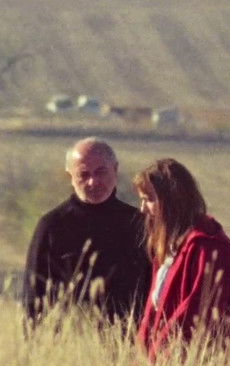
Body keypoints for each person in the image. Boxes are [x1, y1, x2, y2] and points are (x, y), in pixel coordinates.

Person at [23, 138, 152, 331]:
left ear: (115, 170)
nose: (93, 181)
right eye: (83, 174)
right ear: (71, 177)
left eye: (101, 172)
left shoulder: (139, 224)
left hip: (131, 344)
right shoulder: (52, 226)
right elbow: (33, 297)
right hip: (72, 343)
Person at [134, 158, 230, 360]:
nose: (143, 209)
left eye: (149, 199)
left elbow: (197, 313)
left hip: (189, 364)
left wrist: (160, 357)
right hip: (160, 364)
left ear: (171, 200)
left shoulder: (207, 247)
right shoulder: (169, 247)